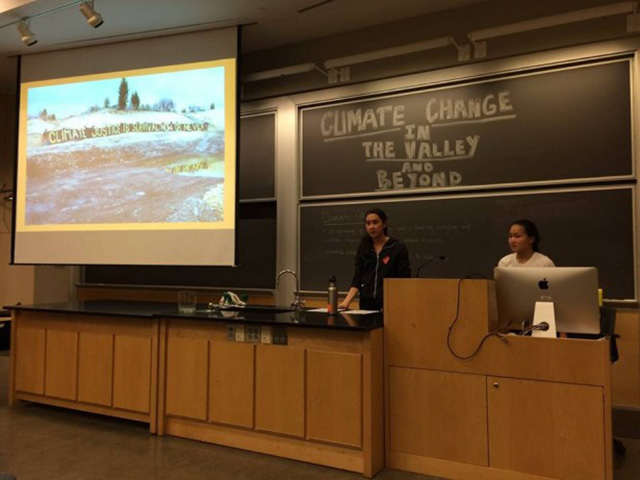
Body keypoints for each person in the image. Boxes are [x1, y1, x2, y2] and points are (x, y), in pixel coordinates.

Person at [339, 208, 411, 311]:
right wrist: (346, 302)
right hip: (366, 305)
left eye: (375, 222)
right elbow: (357, 278)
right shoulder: (363, 247)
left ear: (384, 224)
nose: (371, 227)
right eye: (368, 223)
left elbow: (404, 279)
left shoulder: (396, 247)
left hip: (390, 305)